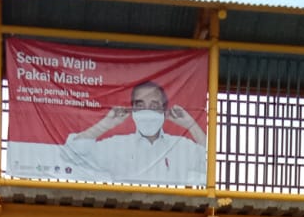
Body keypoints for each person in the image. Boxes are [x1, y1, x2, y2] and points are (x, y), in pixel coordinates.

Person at [62, 80, 207, 187]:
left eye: (154, 106)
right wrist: (105, 124)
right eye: (140, 105)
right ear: (133, 110)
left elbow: (209, 162)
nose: (147, 111)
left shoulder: (180, 146)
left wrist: (191, 125)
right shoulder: (117, 145)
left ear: (164, 110)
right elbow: (71, 154)